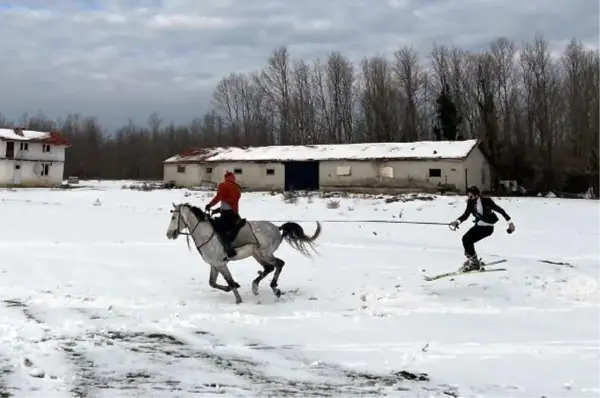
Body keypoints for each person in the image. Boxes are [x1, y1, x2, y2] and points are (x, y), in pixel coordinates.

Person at [449, 186, 515, 272]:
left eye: (471, 196)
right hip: (479, 226)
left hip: (487, 228)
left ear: (477, 195)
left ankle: (474, 263)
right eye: (468, 196)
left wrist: (510, 223)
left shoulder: (486, 201)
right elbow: (466, 215)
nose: (469, 198)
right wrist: (457, 222)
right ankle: (473, 261)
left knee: (467, 240)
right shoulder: (470, 203)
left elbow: (500, 210)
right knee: (466, 240)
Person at [205, 171, 242, 258]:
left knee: (218, 228)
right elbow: (229, 202)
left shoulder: (223, 185)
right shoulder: (237, 187)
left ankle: (229, 248)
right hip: (234, 213)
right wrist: (217, 210)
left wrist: (210, 205)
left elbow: (219, 197)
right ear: (233, 178)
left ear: (226, 177)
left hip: (227, 215)